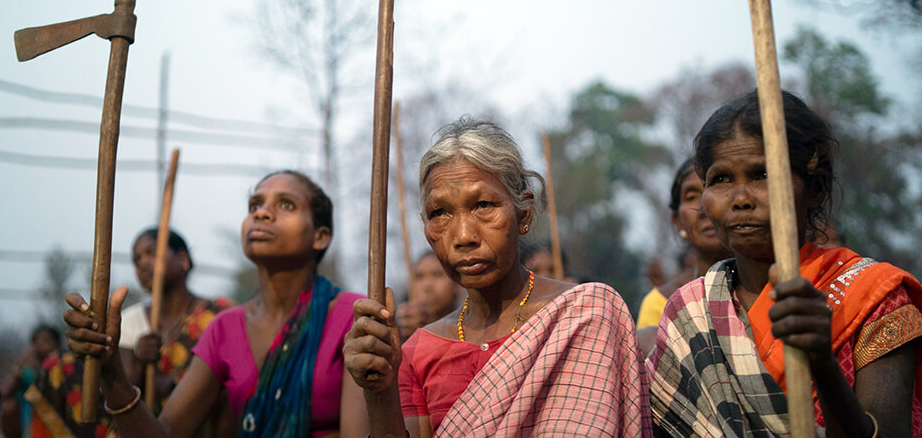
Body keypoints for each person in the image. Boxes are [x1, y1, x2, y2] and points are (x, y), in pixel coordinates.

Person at [344, 117, 651, 437]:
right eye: (440, 213)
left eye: (482, 205)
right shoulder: (418, 351)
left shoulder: (585, 315)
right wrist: (380, 393)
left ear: (524, 214)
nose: (463, 236)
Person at [648, 90, 922, 437]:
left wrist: (822, 361)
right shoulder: (689, 313)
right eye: (721, 179)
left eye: (763, 175)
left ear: (816, 189)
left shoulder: (875, 297)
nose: (742, 198)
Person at [64, 170, 369, 437]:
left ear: (320, 236)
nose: (261, 213)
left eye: (286, 204)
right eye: (255, 205)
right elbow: (166, 433)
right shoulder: (225, 327)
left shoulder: (352, 317)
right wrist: (110, 369)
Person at [118, 227, 233, 411]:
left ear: (183, 259)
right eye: (136, 260)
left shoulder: (222, 316)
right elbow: (120, 399)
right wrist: (140, 362)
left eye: (152, 252)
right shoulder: (129, 322)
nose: (143, 263)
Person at [636, 157, 732, 334]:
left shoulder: (769, 286)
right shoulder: (660, 303)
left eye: (716, 190)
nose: (704, 208)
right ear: (677, 221)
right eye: (692, 197)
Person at [0, 325, 111, 438]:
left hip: (61, 421)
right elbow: (6, 392)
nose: (41, 344)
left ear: (57, 342)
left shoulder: (59, 363)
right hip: (33, 416)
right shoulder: (30, 367)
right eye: (37, 341)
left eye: (46, 340)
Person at [397, 251, 463, 341]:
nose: (427, 285)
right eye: (419, 276)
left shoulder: (470, 328)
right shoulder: (401, 330)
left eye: (437, 274)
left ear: (456, 283)